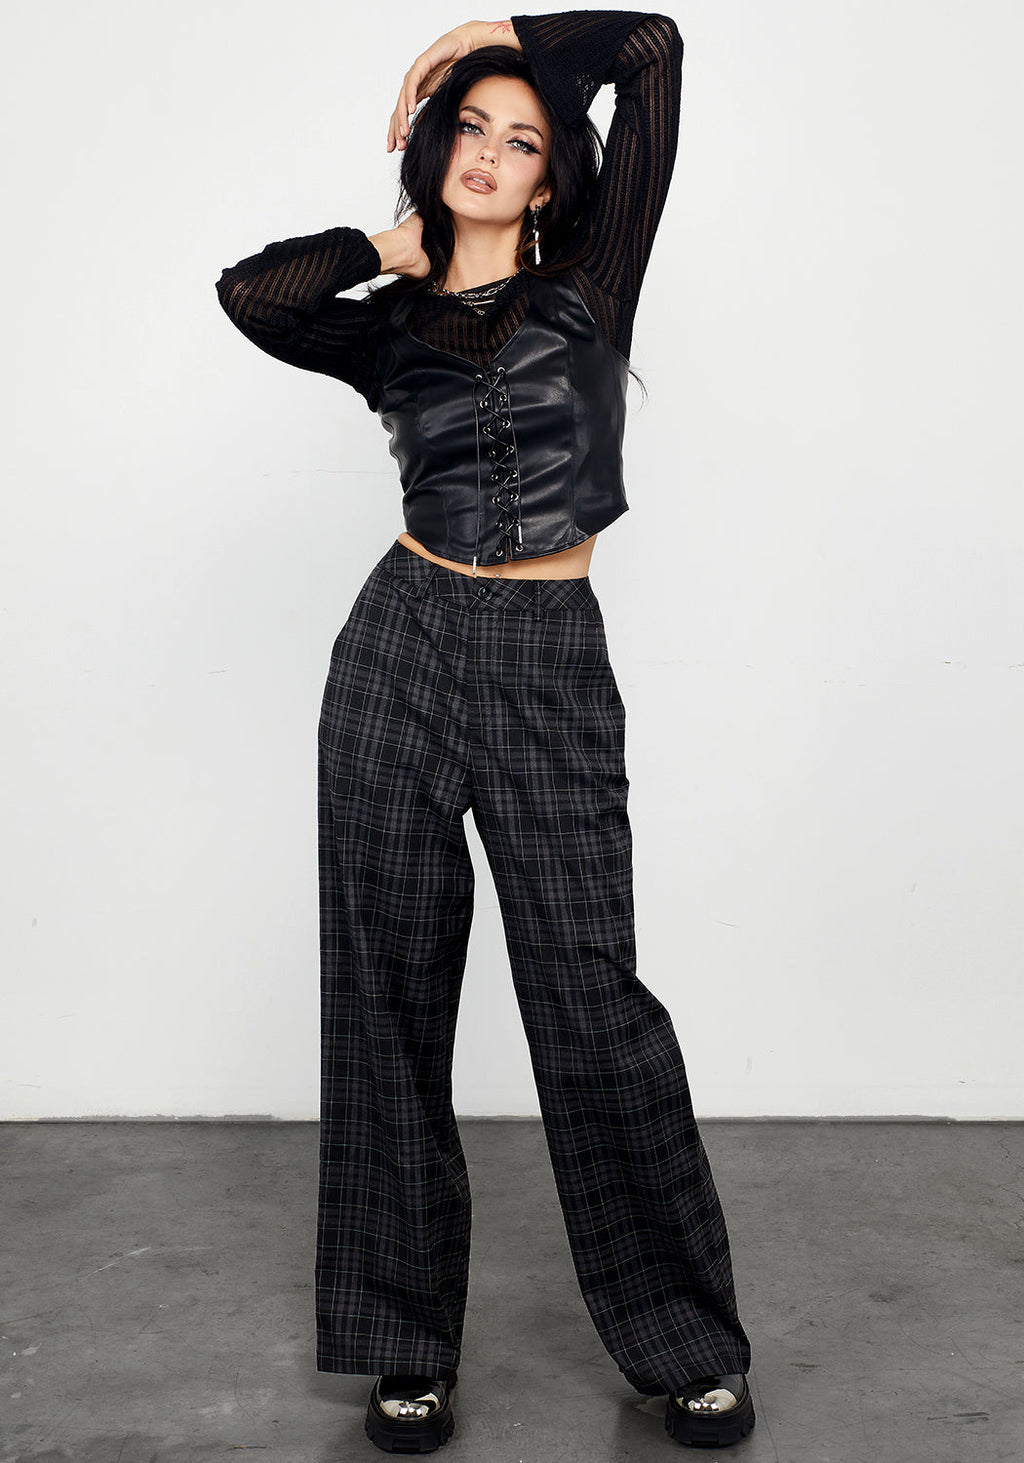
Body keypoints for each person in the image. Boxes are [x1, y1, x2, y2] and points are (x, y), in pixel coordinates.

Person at [216, 10, 756, 1453]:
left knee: (592, 1003)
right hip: (398, 644)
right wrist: (379, 248)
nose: (491, 154)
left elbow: (651, 49)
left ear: (551, 179)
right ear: (437, 148)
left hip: (546, 657)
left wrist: (493, 34)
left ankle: (684, 1342)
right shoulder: (387, 327)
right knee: (387, 998)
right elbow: (251, 295)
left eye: (521, 141)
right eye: (471, 126)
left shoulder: (593, 282)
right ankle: (404, 1347)